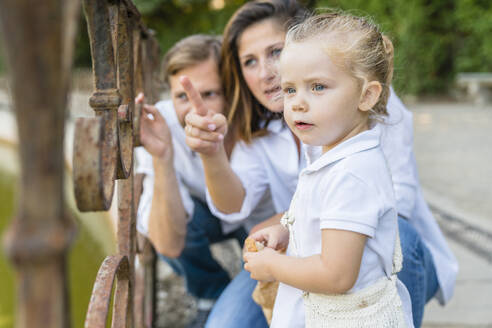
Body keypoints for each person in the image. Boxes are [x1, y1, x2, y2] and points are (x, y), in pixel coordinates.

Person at [182, 1, 457, 327]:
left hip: (374, 268)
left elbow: (391, 208)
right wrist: (286, 225)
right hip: (306, 261)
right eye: (250, 61)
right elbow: (235, 207)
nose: (267, 71)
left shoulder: (357, 133)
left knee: (400, 234)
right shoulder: (301, 135)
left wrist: (275, 263)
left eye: (275, 52)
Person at [244, 11, 413, 327]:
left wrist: (273, 266)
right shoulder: (332, 155)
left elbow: (337, 275)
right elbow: (322, 222)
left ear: (367, 95)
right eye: (290, 89)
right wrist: (287, 230)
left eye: (317, 87)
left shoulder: (351, 173)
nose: (297, 103)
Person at [134, 34, 247, 328]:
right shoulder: (163, 124)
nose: (196, 109)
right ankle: (210, 291)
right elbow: (166, 241)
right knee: (161, 218)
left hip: (259, 220)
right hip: (205, 215)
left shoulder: (252, 114)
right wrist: (163, 157)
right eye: (182, 96)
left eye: (209, 94)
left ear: (232, 89)